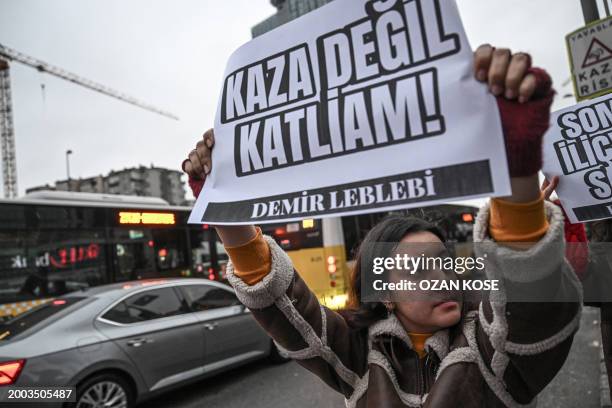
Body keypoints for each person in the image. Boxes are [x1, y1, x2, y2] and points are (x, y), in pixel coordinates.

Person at [182, 45, 582, 407]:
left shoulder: (488, 344)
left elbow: (534, 306)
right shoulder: (360, 360)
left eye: (444, 263)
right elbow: (286, 308)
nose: (442, 279)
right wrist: (226, 208)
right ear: (385, 293)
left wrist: (515, 164)